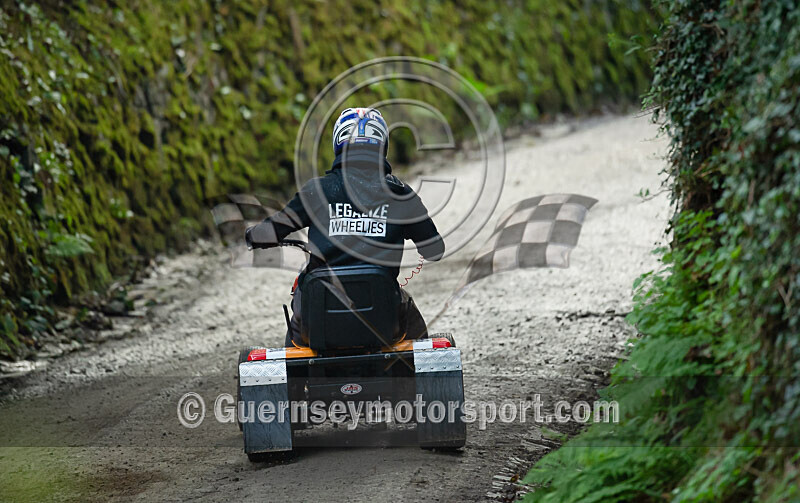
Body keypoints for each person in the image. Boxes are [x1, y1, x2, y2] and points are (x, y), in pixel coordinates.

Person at [246, 107, 445, 347]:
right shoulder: (401, 194)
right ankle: (414, 376)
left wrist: (253, 236)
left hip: (319, 312)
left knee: (299, 310)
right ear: (382, 145)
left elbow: (273, 230)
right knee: (410, 316)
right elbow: (435, 250)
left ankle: (297, 374)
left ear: (338, 143)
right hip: (383, 312)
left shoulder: (317, 190)